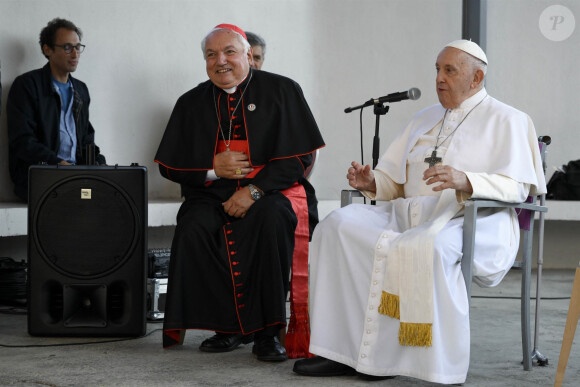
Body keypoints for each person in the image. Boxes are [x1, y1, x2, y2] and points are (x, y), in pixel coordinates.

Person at [293, 40, 546, 384]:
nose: (439, 78)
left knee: (431, 247)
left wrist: (465, 179)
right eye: (437, 70)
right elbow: (395, 183)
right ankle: (342, 351)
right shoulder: (424, 117)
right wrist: (371, 182)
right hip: (406, 214)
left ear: (477, 77)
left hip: (471, 218)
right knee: (337, 225)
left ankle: (432, 365)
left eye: (449, 70)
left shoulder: (509, 120)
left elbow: (518, 188)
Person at [155, 24, 324, 362]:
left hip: (272, 191)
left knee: (270, 219)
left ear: (248, 55)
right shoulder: (190, 102)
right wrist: (213, 167)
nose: (221, 61)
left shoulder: (282, 90)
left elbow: (298, 158)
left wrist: (254, 191)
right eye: (211, 55)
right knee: (195, 225)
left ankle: (267, 333)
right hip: (210, 193)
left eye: (229, 52)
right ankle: (227, 329)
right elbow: (169, 165)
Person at [7, 18, 106, 202]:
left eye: (78, 47)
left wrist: (99, 164)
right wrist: (58, 164)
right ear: (47, 49)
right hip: (40, 179)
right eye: (68, 47)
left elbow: (86, 139)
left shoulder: (81, 90)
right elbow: (23, 141)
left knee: (112, 200)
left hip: (75, 179)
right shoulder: (27, 85)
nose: (75, 54)